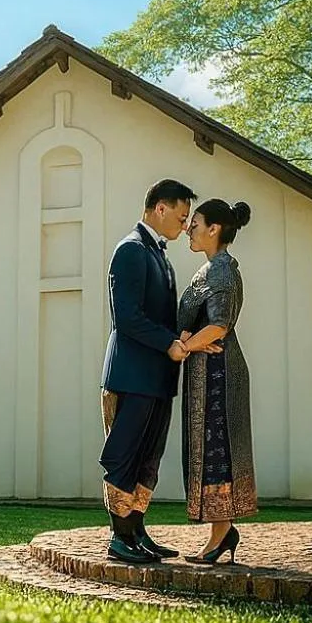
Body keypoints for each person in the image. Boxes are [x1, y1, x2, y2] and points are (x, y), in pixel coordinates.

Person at [99, 178, 197, 564]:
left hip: (157, 378)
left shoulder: (160, 255)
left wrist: (181, 336)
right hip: (130, 375)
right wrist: (169, 343)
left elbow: (155, 316)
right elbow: (127, 318)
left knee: (149, 458)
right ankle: (119, 537)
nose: (186, 224)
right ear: (160, 208)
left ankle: (138, 532)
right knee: (124, 454)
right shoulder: (130, 250)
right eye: (182, 214)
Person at [176, 198, 256, 564]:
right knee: (209, 451)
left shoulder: (221, 271)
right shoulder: (208, 269)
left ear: (215, 229)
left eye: (195, 223)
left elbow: (220, 324)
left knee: (216, 451)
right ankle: (221, 531)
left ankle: (222, 532)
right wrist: (189, 339)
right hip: (207, 370)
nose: (189, 229)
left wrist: (186, 347)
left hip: (219, 374)